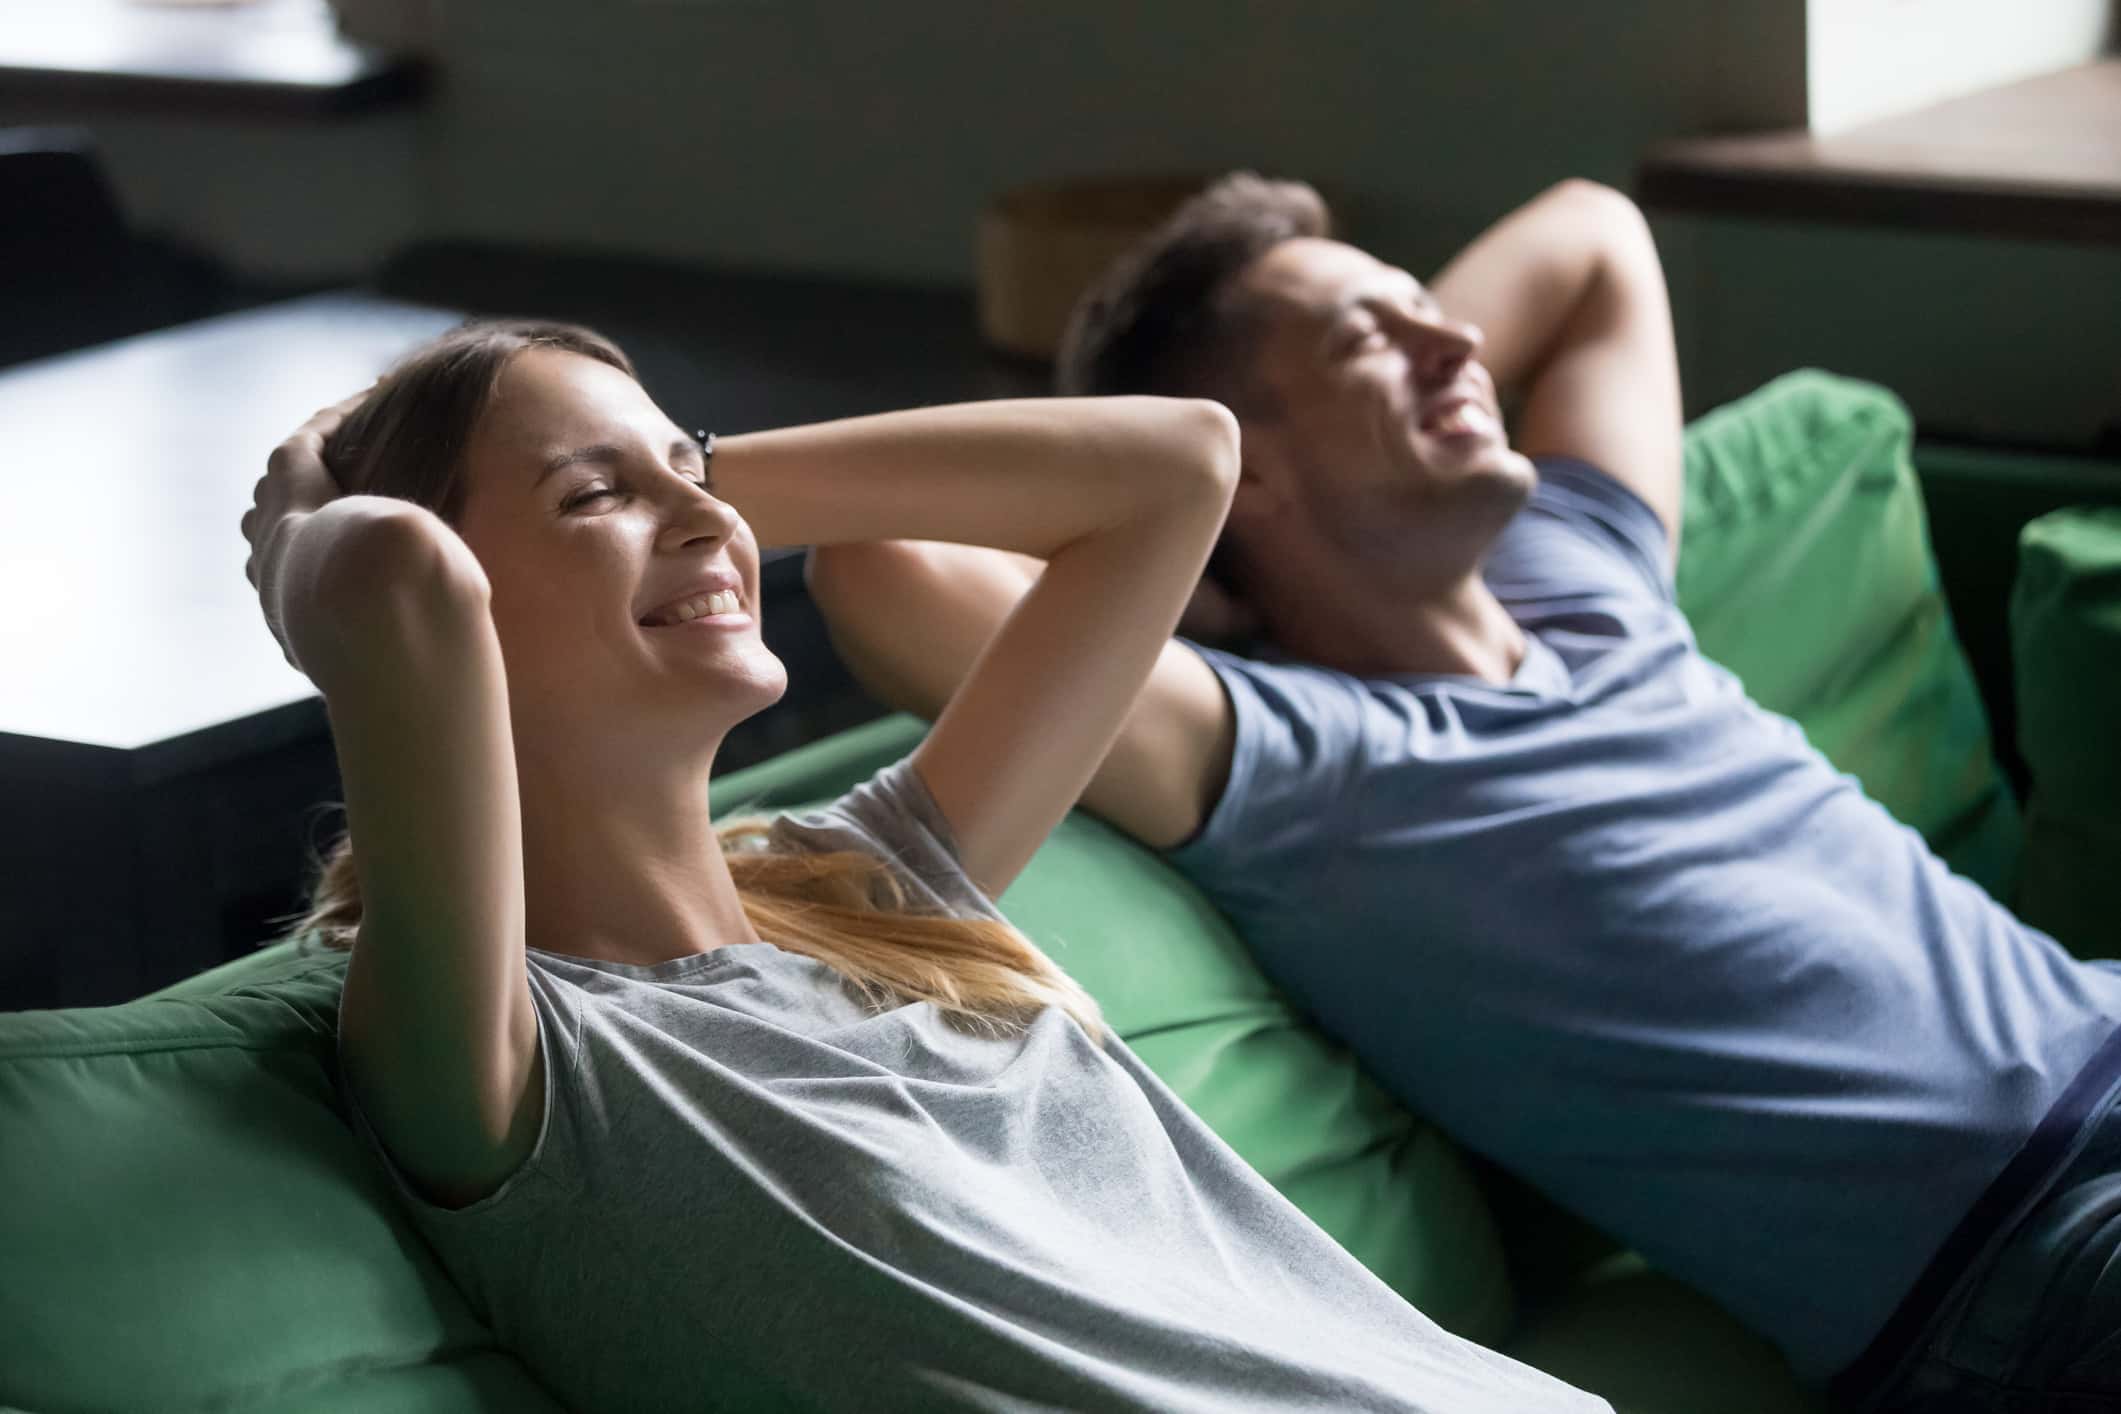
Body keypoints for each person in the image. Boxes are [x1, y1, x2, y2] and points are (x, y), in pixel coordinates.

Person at [808, 176, 2121, 1412]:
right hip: (2037, 1253)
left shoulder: (1584, 569)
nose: (1459, 345)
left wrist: (1389, 358)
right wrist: (1175, 506)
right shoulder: (1300, 759)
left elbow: (1596, 234)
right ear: (1233, 472)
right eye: (1369, 339)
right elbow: (887, 560)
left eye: (1432, 311)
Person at [237, 319, 1609, 1414]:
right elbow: (397, 578)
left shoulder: (874, 885)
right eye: (591, 495)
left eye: (695, 471)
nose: (711, 518)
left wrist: (680, 495)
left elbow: (1178, 462)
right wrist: (302, 505)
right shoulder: (513, 1058)